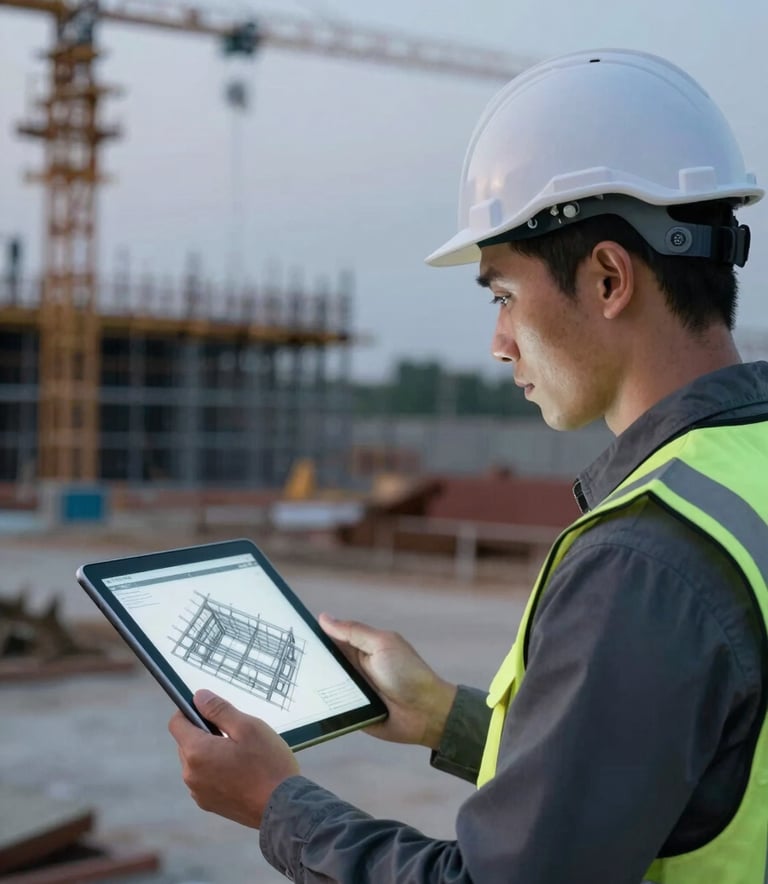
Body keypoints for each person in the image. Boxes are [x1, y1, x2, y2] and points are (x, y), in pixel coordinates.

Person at [169, 48, 768, 883]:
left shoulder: (645, 562)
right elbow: (668, 770)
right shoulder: (750, 474)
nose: (497, 344)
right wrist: (443, 718)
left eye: (503, 296)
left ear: (606, 278)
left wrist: (277, 805)